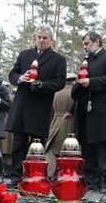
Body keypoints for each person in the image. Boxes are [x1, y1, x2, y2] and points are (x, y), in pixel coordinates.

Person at [5, 24, 67, 185]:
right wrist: (20, 78)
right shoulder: (24, 55)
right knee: (18, 142)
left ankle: (35, 176)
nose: (41, 40)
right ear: (35, 37)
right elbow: (12, 73)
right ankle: (15, 176)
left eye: (45, 38)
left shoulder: (58, 59)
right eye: (39, 37)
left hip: (41, 106)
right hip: (22, 105)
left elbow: (60, 82)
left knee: (37, 144)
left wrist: (43, 85)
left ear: (51, 40)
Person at [67, 31, 106, 194]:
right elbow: (82, 87)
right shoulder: (86, 62)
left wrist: (91, 82)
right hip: (86, 111)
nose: (84, 47)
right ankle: (92, 181)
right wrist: (72, 109)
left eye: (87, 43)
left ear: (97, 42)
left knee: (105, 147)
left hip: (104, 110)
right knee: (89, 147)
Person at [45, 73, 77, 175]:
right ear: (73, 81)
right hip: (69, 123)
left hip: (55, 122)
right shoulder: (74, 93)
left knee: (52, 149)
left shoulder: (56, 93)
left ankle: (48, 174)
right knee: (67, 152)